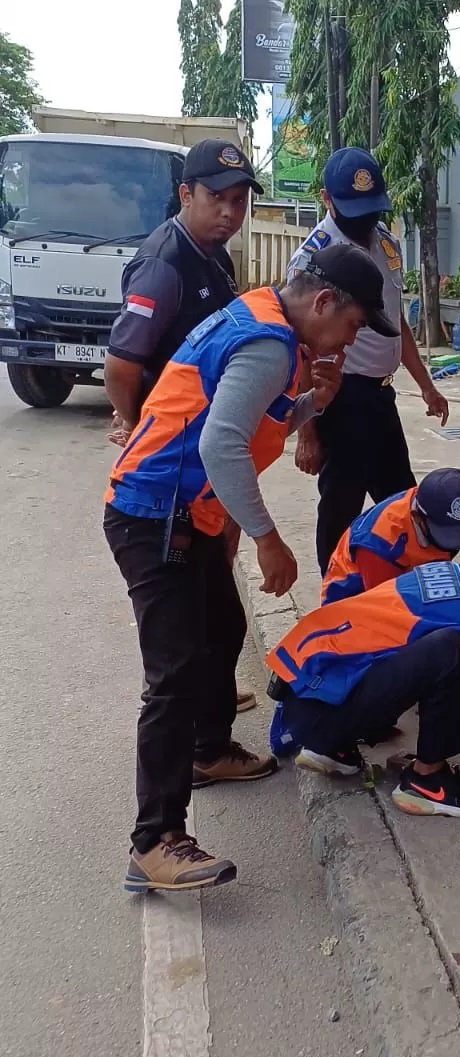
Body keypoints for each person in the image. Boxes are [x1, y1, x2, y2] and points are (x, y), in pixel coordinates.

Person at [105, 242, 396, 893]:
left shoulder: (267, 323)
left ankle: (209, 751)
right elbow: (221, 442)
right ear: (323, 302)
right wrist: (267, 537)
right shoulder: (269, 344)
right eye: (351, 325)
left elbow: (249, 420)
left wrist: (312, 405)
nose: (350, 341)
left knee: (225, 630)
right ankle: (154, 842)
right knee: (174, 676)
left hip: (185, 511)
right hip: (154, 513)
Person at [104, 136, 262, 713]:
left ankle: (209, 694)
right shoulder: (164, 264)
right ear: (185, 194)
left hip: (201, 460)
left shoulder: (213, 257)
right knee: (195, 599)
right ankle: (200, 719)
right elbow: (121, 367)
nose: (229, 211)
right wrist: (138, 426)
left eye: (240, 200)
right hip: (170, 471)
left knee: (212, 589)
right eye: (217, 197)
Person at [266, 560, 460, 819]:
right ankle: (427, 781)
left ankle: (334, 746)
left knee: (444, 648)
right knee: (452, 652)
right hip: (318, 714)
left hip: (306, 685)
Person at [287, 146, 450, 573]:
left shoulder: (387, 244)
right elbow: (300, 344)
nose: (364, 223)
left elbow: (393, 320)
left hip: (380, 397)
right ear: (327, 200)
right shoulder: (314, 259)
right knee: (341, 508)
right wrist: (308, 431)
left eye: (371, 211)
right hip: (340, 398)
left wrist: (426, 385)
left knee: (403, 500)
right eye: (353, 212)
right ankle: (335, 603)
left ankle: (410, 589)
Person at [322, 467, 460, 603]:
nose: (458, 543)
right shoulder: (379, 542)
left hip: (414, 578)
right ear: (417, 518)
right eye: (448, 534)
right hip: (355, 601)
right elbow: (391, 610)